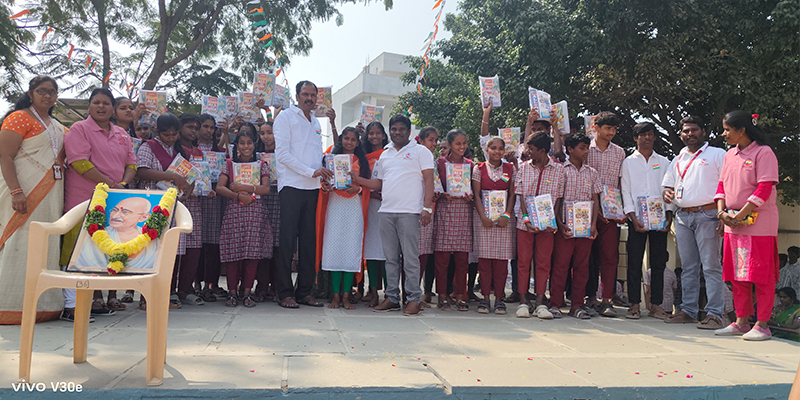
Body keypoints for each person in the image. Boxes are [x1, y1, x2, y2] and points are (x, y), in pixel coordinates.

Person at [62, 88, 137, 316]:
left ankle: (93, 302)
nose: (101, 107)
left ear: (113, 109)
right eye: (96, 102)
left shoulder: (122, 134)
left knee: (101, 251)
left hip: (113, 202)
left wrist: (122, 184)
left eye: (106, 103)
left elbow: (131, 164)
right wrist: (110, 184)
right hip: (82, 201)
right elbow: (79, 163)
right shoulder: (79, 129)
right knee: (77, 251)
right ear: (89, 106)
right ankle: (71, 305)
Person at [351, 114, 434, 315]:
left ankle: (413, 299)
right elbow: (379, 183)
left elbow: (429, 180)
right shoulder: (385, 155)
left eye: (401, 129)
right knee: (390, 258)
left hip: (410, 212)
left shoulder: (420, 151)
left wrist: (427, 208)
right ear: (390, 132)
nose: (397, 132)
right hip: (386, 211)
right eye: (394, 129)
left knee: (410, 258)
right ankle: (392, 298)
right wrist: (358, 179)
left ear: (409, 131)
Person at [0, 75, 66, 324]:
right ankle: (9, 305)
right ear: (31, 94)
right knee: (19, 238)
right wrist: (16, 191)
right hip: (22, 190)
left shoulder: (57, 125)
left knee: (45, 241)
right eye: (42, 91)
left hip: (51, 194)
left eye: (52, 92)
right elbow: (5, 156)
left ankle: (45, 306)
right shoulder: (18, 117)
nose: (47, 96)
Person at [713, 110, 780, 340]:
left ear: (742, 130)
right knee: (737, 275)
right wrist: (721, 212)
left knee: (761, 275)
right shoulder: (729, 155)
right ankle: (741, 321)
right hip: (733, 223)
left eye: (727, 130)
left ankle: (762, 324)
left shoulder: (764, 152)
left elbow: (765, 187)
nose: (724, 134)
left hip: (758, 225)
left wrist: (741, 214)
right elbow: (721, 186)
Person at [273, 80, 334, 308]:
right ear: (297, 96)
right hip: (291, 186)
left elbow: (316, 155)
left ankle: (304, 292)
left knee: (309, 241)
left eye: (313, 95)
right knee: (287, 241)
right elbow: (282, 155)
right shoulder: (285, 117)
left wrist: (324, 172)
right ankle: (284, 293)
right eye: (305, 94)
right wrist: (311, 172)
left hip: (313, 188)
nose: (309, 98)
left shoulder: (315, 122)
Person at [662, 115, 727, 330]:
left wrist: (724, 214)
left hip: (708, 214)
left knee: (711, 266)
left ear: (703, 131)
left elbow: (727, 184)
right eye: (686, 131)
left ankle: (714, 313)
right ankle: (688, 310)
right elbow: (668, 186)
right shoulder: (677, 158)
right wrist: (667, 193)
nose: (690, 134)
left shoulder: (717, 154)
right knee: (688, 267)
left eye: (694, 130)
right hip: (683, 216)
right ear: (681, 134)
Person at [135, 113, 192, 309]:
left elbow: (189, 175)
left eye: (175, 134)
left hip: (174, 204)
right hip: (153, 204)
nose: (171, 138)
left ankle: (167, 293)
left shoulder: (180, 150)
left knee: (171, 251)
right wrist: (172, 176)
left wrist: (187, 189)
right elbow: (141, 171)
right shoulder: (149, 147)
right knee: (152, 250)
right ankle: (146, 297)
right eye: (166, 134)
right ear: (157, 131)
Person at [620, 122, 674, 319]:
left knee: (658, 262)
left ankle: (656, 305)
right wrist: (632, 217)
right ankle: (634, 304)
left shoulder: (664, 162)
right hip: (637, 219)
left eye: (650, 134)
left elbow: (669, 189)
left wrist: (669, 216)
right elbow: (625, 191)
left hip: (659, 220)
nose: (647, 138)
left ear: (655, 137)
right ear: (636, 138)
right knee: (634, 261)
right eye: (643, 135)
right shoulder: (628, 163)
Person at [215, 127, 272, 307]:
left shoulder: (261, 165)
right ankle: (232, 292)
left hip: (255, 213)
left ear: (254, 144)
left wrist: (245, 188)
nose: (246, 146)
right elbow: (219, 187)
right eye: (242, 143)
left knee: (252, 254)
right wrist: (238, 196)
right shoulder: (229, 164)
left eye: (249, 143)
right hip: (234, 211)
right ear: (237, 145)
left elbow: (266, 189)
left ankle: (247, 293)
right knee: (233, 254)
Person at [316, 127, 370, 309]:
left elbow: (366, 187)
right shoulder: (330, 160)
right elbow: (323, 184)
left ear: (358, 142)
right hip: (335, 206)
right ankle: (336, 296)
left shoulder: (362, 162)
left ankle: (346, 296)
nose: (349, 142)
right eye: (346, 138)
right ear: (341, 140)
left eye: (353, 139)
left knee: (350, 250)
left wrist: (358, 188)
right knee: (333, 250)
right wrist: (326, 186)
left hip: (354, 207)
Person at [514, 132, 564, 319]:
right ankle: (523, 301)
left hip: (547, 226)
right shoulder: (524, 168)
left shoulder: (559, 170)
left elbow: (558, 198)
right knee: (523, 262)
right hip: (525, 224)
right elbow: (521, 196)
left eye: (531, 149)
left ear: (542, 151)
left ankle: (540, 302)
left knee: (543, 263)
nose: (528, 152)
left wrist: (553, 220)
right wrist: (526, 219)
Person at [550, 133, 601, 319]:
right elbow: (557, 199)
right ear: (570, 150)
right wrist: (559, 223)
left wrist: (594, 224)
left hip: (585, 228)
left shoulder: (592, 173)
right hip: (566, 227)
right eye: (582, 148)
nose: (586, 151)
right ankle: (555, 303)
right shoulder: (561, 170)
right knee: (561, 265)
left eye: (587, 148)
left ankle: (577, 304)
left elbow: (595, 200)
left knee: (582, 266)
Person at [583, 111, 626, 318]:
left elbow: (620, 182)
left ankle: (607, 299)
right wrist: (595, 209)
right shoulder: (585, 149)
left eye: (614, 129)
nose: (611, 132)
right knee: (587, 257)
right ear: (596, 128)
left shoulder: (619, 152)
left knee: (610, 256)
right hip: (587, 209)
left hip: (610, 212)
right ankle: (590, 297)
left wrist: (619, 208)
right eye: (608, 128)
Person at [472, 136, 515, 315]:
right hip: (484, 220)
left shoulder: (510, 168)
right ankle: (485, 298)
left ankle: (499, 298)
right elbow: (476, 195)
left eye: (501, 148)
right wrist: (483, 216)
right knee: (484, 261)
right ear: (487, 150)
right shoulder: (479, 168)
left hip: (503, 221)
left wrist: (507, 215)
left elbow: (512, 195)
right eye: (493, 148)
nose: (497, 152)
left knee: (501, 262)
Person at [433, 129, 474, 311]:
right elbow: (435, 187)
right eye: (458, 143)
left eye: (464, 143)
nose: (462, 147)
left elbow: (475, 189)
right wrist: (442, 194)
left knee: (462, 259)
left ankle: (460, 296)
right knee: (442, 258)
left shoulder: (470, 165)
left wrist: (470, 195)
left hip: (463, 212)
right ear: (449, 145)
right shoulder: (440, 164)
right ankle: (442, 295)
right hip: (445, 211)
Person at [76, 197, 158, 270]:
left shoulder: (153, 241)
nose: (115, 215)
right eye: (115, 210)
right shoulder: (97, 236)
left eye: (125, 212)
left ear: (143, 217)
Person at [196, 114, 223, 302]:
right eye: (205, 126)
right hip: (196, 200)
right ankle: (196, 284)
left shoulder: (219, 151)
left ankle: (210, 284)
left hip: (214, 200)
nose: (209, 130)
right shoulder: (190, 149)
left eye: (212, 128)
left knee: (213, 244)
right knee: (196, 245)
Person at [361, 121, 389, 307]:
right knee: (371, 250)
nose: (374, 136)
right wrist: (371, 194)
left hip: (388, 205)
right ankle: (372, 292)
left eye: (378, 133)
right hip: (369, 205)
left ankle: (389, 291)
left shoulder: (390, 155)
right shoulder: (363, 158)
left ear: (383, 135)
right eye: (371, 133)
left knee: (387, 251)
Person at [255, 122, 280, 302]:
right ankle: (262, 286)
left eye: (269, 132)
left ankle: (277, 286)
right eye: (262, 133)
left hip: (279, 199)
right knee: (262, 242)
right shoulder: (255, 156)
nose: (266, 136)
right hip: (261, 199)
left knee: (278, 243)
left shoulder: (284, 153)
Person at [417, 127, 439, 305]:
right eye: (431, 140)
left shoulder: (434, 162)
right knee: (411, 255)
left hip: (429, 211)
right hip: (414, 209)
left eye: (436, 140)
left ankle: (415, 293)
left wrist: (439, 194)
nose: (434, 144)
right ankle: (409, 293)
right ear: (421, 140)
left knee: (424, 254)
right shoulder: (414, 158)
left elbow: (436, 184)